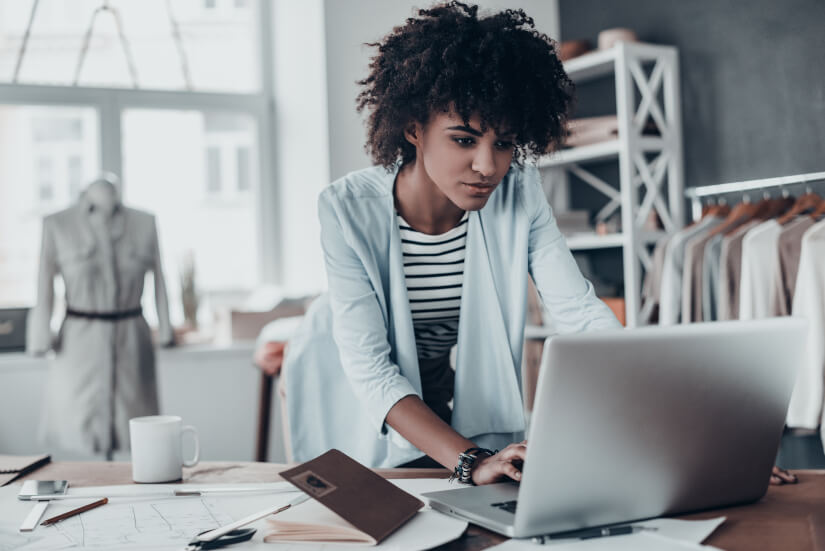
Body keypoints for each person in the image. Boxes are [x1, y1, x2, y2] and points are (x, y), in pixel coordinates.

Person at [276, 1, 797, 487]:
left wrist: (699, 435)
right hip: (349, 378)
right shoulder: (345, 209)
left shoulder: (518, 190)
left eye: (503, 143)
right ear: (413, 128)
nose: (487, 166)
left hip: (439, 377)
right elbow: (370, 368)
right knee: (366, 512)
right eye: (464, 139)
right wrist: (469, 460)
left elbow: (581, 316)